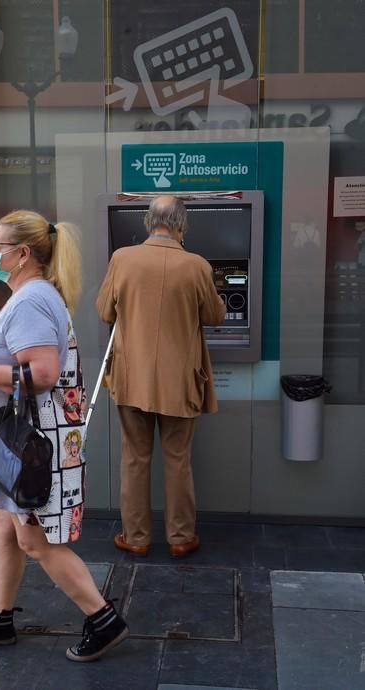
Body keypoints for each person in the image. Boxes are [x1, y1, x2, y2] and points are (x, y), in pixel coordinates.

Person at [0, 210, 129, 661]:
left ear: (22, 254)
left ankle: (103, 618)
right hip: (15, 444)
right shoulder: (32, 295)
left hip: (27, 445)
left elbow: (43, 374)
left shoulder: (30, 300)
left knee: (34, 539)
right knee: (1, 525)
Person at [96, 195, 226, 557]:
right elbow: (216, 316)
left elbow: (105, 310)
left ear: (148, 222)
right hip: (180, 381)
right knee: (178, 459)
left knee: (135, 459)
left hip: (131, 378)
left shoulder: (123, 258)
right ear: (182, 225)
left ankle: (135, 538)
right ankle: (181, 538)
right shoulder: (197, 265)